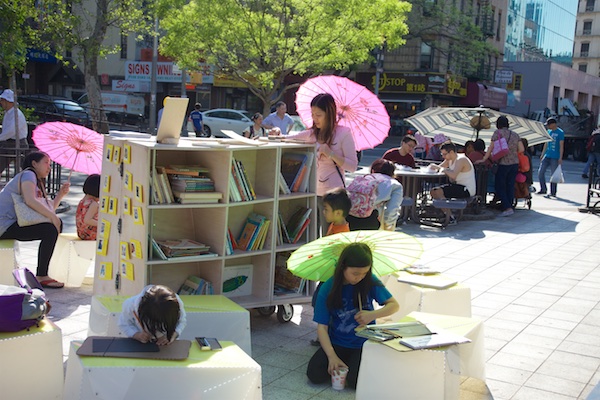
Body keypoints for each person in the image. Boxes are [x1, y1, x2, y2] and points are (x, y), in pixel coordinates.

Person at [306, 243, 399, 389]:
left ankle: (354, 364)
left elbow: (394, 305)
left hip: (364, 343)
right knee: (314, 374)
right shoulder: (328, 287)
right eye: (355, 273)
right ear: (343, 267)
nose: (360, 278)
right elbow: (322, 328)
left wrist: (373, 314)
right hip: (337, 341)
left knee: (356, 382)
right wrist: (331, 356)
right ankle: (347, 362)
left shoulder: (370, 281)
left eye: (364, 273)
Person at [286, 93, 358, 236]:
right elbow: (286, 139)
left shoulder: (343, 133)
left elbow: (353, 166)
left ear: (329, 114)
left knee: (330, 236)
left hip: (333, 196)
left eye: (318, 115)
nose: (314, 118)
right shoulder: (312, 134)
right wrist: (274, 134)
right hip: (312, 191)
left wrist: (331, 153)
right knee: (310, 236)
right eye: (312, 114)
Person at [0, 151, 70, 288]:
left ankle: (43, 273)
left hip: (9, 225)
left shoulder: (35, 180)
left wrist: (61, 194)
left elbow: (47, 209)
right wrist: (52, 217)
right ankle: (42, 275)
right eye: (46, 163)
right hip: (4, 225)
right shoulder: (28, 175)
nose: (49, 168)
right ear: (34, 163)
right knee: (50, 230)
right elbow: (30, 200)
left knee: (53, 226)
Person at [477, 116, 523, 217]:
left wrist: (484, 159)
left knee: (500, 186)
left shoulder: (498, 133)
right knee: (510, 185)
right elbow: (521, 149)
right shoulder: (515, 135)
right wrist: (511, 153)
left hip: (503, 163)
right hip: (514, 163)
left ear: (498, 124)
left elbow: (491, 148)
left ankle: (507, 207)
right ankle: (509, 205)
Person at [118, 284, 187, 346]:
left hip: (167, 346)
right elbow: (124, 324)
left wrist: (173, 334)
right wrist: (136, 335)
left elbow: (181, 321)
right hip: (139, 345)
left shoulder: (175, 303)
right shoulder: (130, 305)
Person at [346, 159, 404, 231]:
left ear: (373, 170)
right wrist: (388, 226)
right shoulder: (395, 185)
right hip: (373, 221)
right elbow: (392, 210)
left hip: (349, 218)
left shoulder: (363, 179)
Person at [429, 142, 476, 225]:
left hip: (466, 189)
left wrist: (442, 169)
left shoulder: (461, 159)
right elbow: (439, 168)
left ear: (451, 152)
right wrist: (433, 167)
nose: (443, 156)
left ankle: (450, 217)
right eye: (442, 154)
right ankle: (447, 215)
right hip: (458, 186)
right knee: (433, 192)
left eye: (444, 154)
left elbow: (453, 175)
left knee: (438, 191)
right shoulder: (449, 159)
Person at [0, 89, 29, 176]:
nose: (1, 102)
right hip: (9, 142)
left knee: (28, 168)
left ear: (8, 101)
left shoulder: (16, 114)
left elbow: (11, 131)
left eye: (3, 100)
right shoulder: (8, 113)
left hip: (18, 143)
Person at [537, 117, 564, 198]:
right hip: (547, 155)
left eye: (549, 125)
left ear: (553, 124)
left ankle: (553, 192)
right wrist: (542, 154)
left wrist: (560, 157)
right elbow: (546, 143)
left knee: (553, 175)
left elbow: (561, 145)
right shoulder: (549, 131)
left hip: (555, 157)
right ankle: (543, 189)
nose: (548, 126)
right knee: (540, 172)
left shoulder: (560, 132)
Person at [76, 174, 100, 240]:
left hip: (81, 233)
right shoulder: (93, 204)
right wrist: (101, 224)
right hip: (90, 234)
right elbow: (87, 220)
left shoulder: (82, 202)